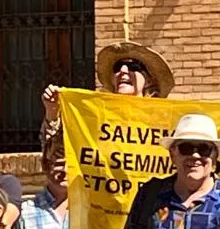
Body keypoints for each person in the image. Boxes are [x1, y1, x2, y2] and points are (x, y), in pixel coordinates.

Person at [40, 40, 176, 155]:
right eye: (117, 67)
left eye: (133, 66)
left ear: (149, 80)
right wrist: (52, 112)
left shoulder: (162, 122)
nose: (123, 71)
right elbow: (55, 154)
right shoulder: (96, 116)